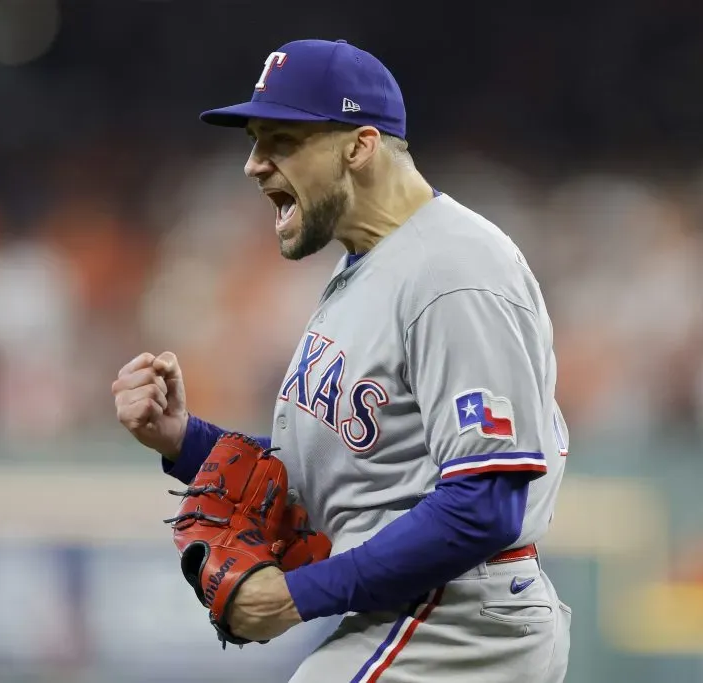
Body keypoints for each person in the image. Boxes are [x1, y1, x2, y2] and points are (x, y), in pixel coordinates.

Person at [113, 38, 571, 683]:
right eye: (254, 140)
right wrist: (186, 441)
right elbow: (343, 475)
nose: (253, 165)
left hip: (460, 616)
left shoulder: (453, 270)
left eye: (281, 140)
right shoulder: (370, 268)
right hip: (422, 611)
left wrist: (294, 597)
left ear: (360, 146)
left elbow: (485, 506)